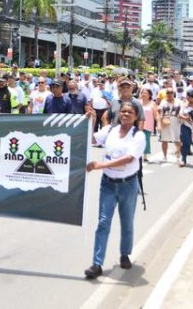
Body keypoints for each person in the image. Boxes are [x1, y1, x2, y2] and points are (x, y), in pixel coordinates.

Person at [84, 102, 146, 279]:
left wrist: (101, 165)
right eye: (123, 111)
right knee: (103, 222)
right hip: (108, 184)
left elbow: (128, 158)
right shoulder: (110, 130)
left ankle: (125, 253)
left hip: (128, 184)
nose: (126, 114)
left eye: (130, 112)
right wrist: (92, 120)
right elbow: (91, 139)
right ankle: (97, 264)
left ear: (136, 116)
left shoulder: (138, 136)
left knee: (126, 221)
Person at [158, 88, 182, 163]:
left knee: (177, 140)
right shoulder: (163, 102)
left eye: (171, 92)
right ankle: (165, 156)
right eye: (167, 92)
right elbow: (160, 112)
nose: (169, 94)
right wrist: (160, 123)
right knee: (164, 140)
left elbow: (181, 111)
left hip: (176, 122)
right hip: (165, 122)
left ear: (173, 93)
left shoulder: (179, 101)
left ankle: (178, 154)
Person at [139, 88, 159, 163]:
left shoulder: (152, 103)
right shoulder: (138, 102)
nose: (143, 94)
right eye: (142, 93)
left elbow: (156, 114)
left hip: (148, 124)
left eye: (145, 93)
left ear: (149, 95)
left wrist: (158, 124)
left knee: (146, 139)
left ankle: (145, 156)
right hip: (138, 124)